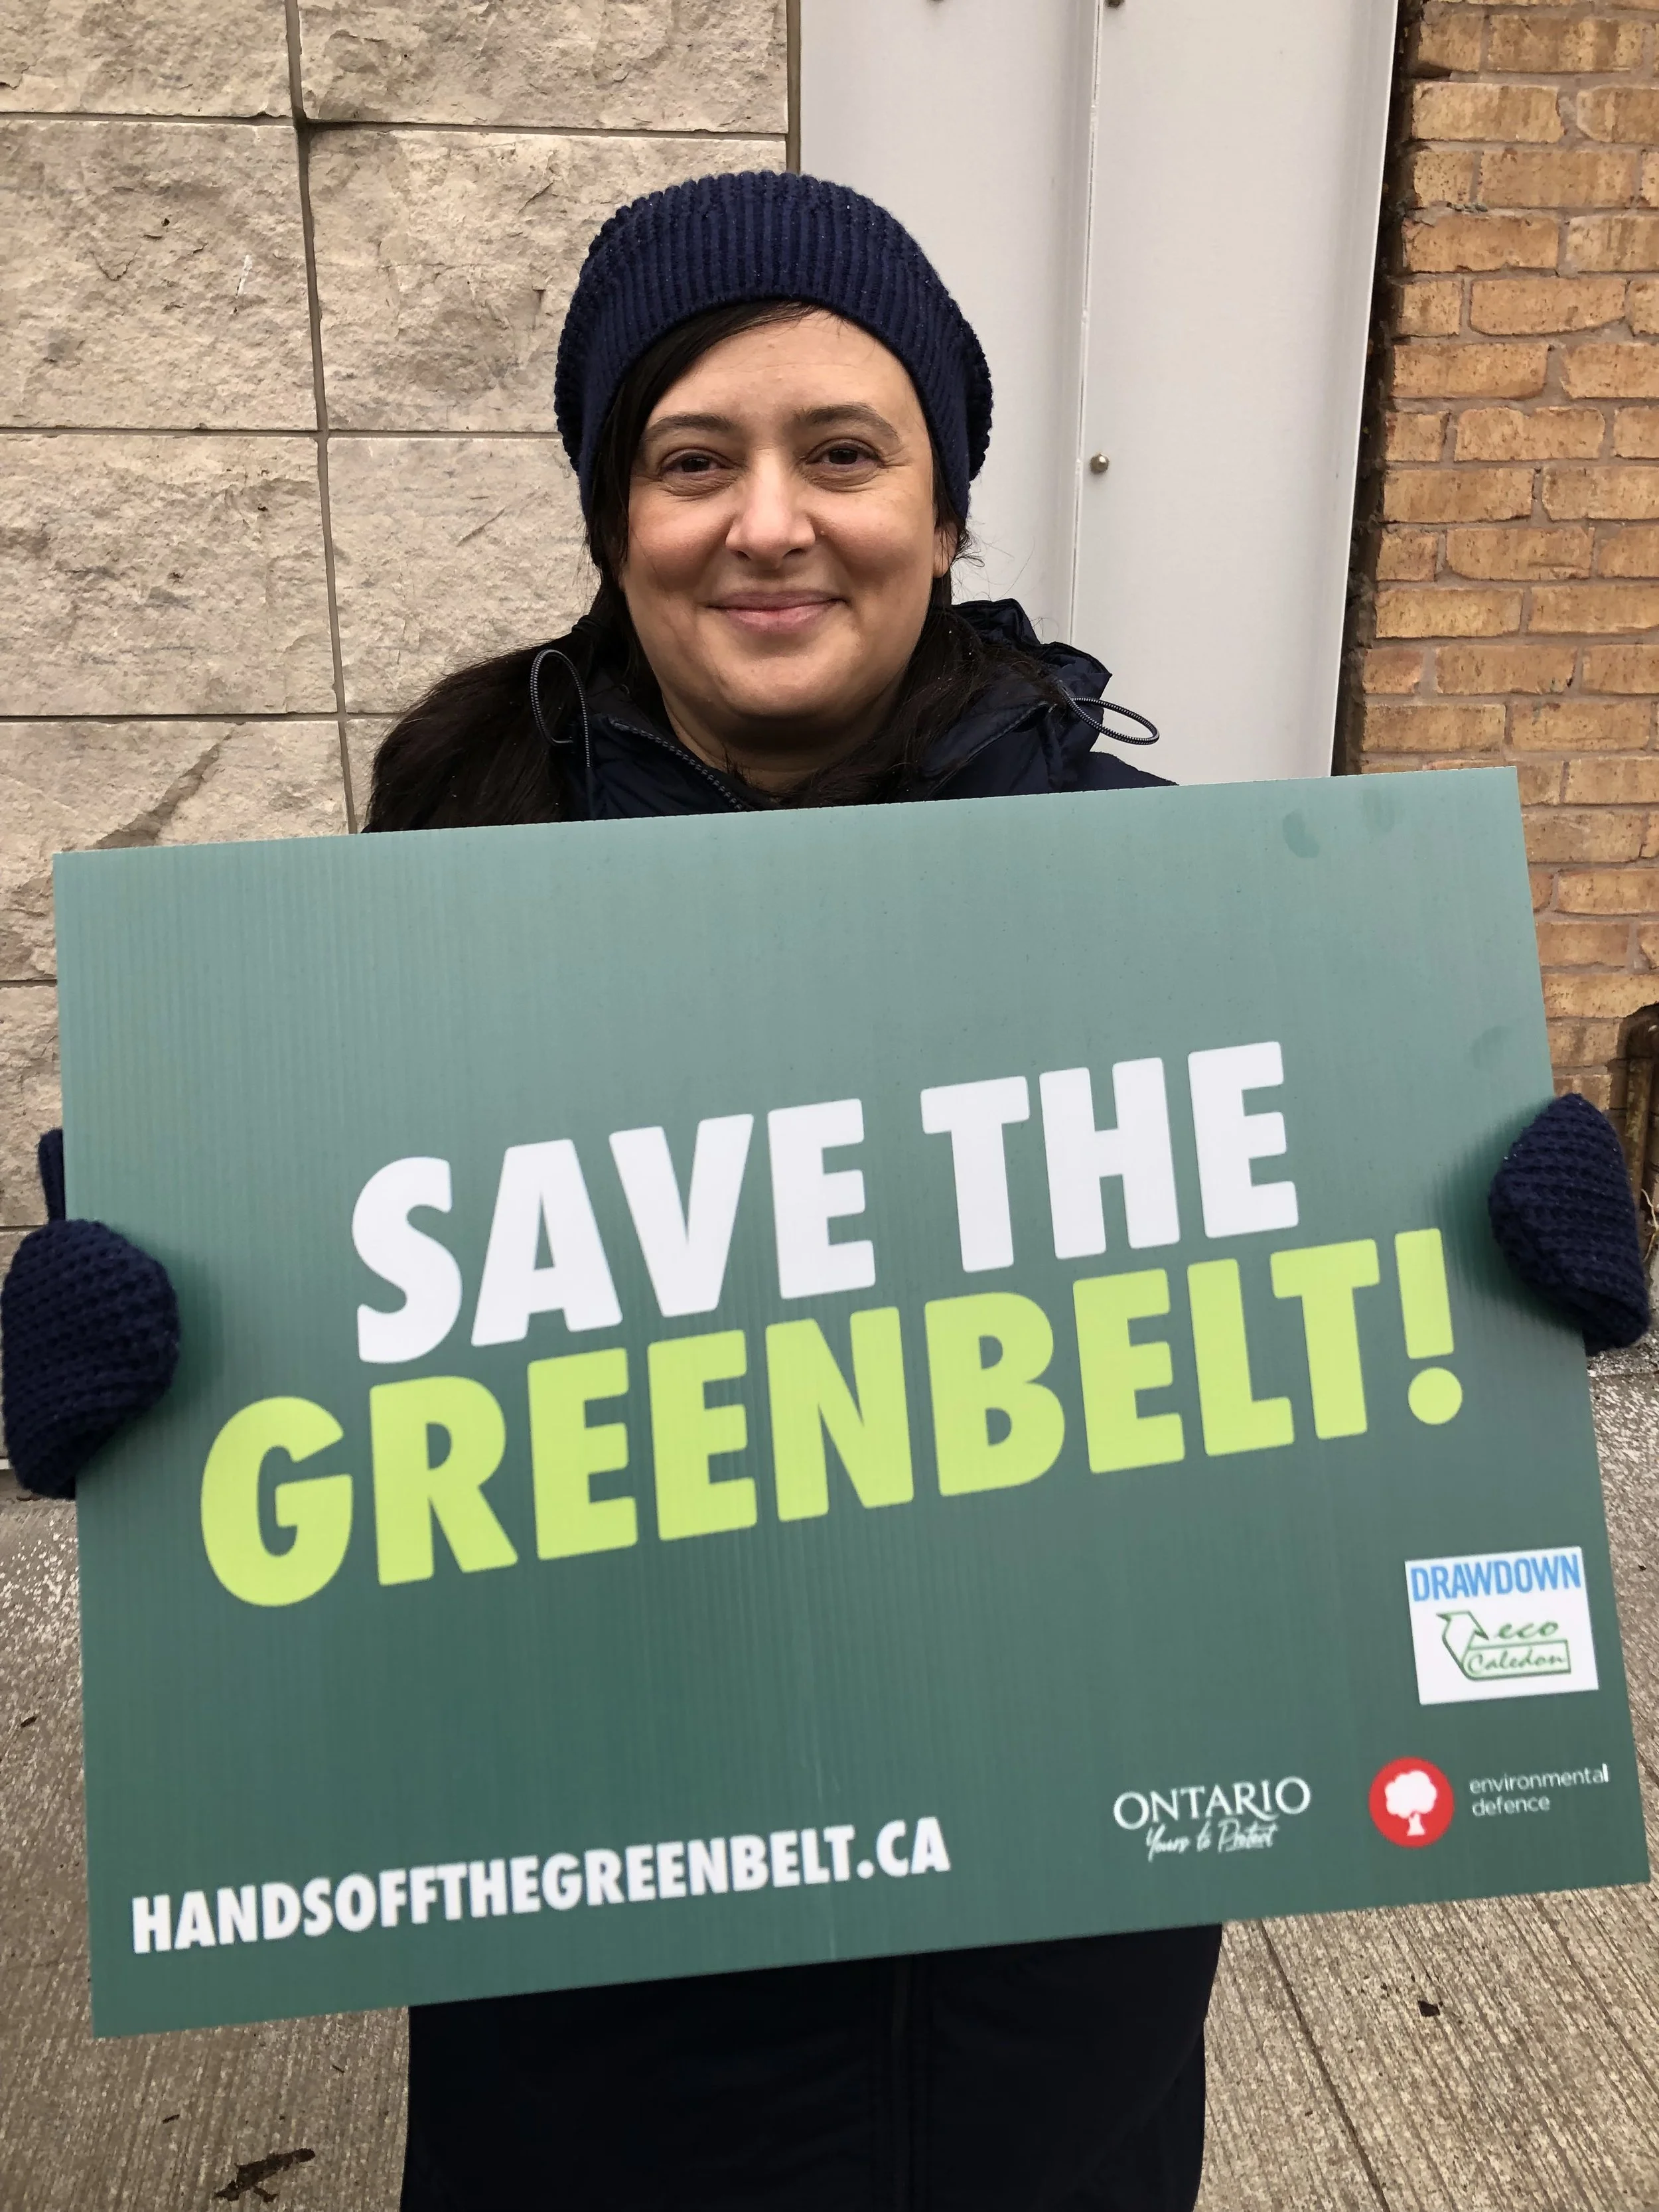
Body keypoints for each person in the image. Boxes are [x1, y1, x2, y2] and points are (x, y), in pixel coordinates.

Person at [2, 171, 1648, 2212]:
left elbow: (1311, 1388)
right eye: (691, 459)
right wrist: (145, 1360)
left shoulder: (1179, 901)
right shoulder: (433, 878)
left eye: (842, 453)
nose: (767, 520)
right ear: (614, 519)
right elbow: (310, 1380)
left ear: (944, 508)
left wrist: (1483, 1261)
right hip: (591, 2012)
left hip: (1043, 2007)